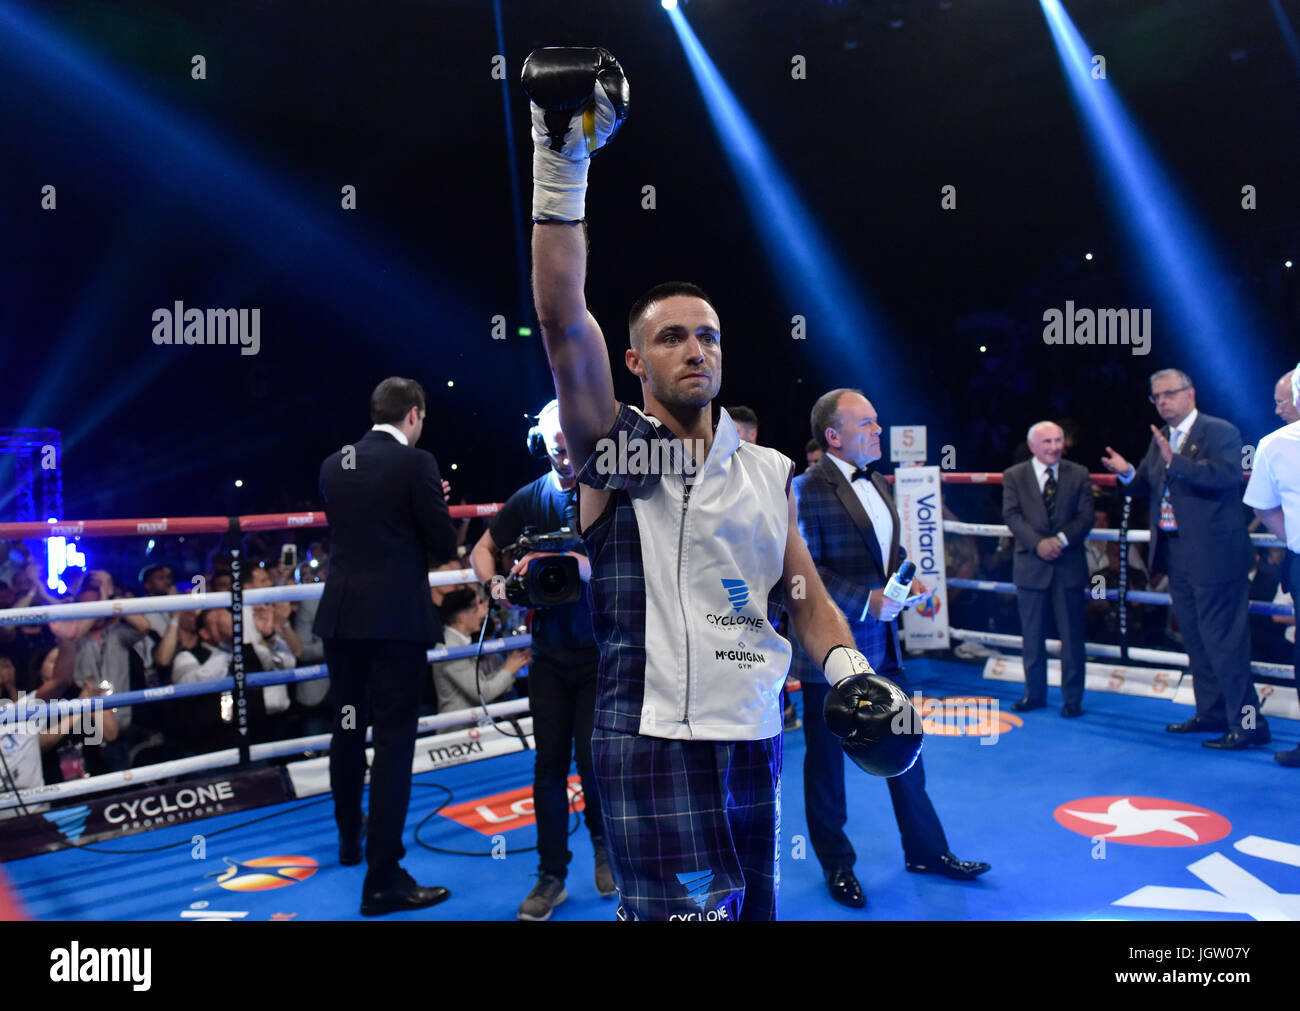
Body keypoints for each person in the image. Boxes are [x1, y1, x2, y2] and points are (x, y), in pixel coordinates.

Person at [522, 46, 920, 921]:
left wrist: (849, 668)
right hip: (648, 736)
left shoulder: (767, 469)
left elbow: (804, 591)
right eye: (670, 338)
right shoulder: (616, 452)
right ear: (634, 361)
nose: (694, 349)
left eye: (706, 335)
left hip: (753, 732)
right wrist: (564, 159)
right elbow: (560, 320)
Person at [790, 388, 989, 910]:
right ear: (833, 435)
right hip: (829, 650)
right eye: (868, 424)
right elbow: (804, 572)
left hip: (886, 648)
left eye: (878, 421)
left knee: (906, 754)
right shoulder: (805, 488)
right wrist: (865, 601)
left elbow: (889, 551)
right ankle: (837, 866)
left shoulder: (876, 479)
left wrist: (910, 580)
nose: (879, 431)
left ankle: (927, 851)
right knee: (827, 767)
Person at [314, 377, 458, 915]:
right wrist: (432, 508)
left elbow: (360, 533)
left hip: (343, 622)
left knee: (348, 729)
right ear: (414, 415)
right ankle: (383, 880)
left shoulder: (335, 463)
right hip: (394, 623)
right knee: (394, 746)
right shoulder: (416, 465)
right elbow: (443, 546)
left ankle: (351, 840)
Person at [469, 399, 614, 921]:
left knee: (596, 762)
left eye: (570, 449)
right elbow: (482, 549)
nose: (564, 460)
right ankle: (551, 875)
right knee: (548, 767)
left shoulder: (606, 492)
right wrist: (495, 585)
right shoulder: (528, 499)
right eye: (555, 451)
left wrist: (576, 563)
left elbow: (635, 558)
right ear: (542, 447)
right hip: (549, 655)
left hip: (601, 652)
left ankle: (606, 850)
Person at [1102, 368, 1269, 749]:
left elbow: (1225, 478)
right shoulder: (1161, 439)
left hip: (1217, 555)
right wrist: (1128, 472)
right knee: (1194, 638)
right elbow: (1147, 485)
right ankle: (1211, 713)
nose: (1162, 401)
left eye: (1169, 394)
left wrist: (1176, 462)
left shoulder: (1219, 431)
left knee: (1224, 640)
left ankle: (1249, 723)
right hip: (1177, 553)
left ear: (1190, 394)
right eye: (1156, 396)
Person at [1002, 421, 1095, 716]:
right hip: (1031, 563)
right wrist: (1038, 544)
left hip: (1068, 564)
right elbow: (1012, 515)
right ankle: (1034, 694)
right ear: (1032, 446)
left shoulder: (1078, 473)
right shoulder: (1014, 475)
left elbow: (1086, 517)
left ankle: (1072, 701)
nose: (1055, 447)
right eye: (1048, 442)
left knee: (1072, 638)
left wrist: (1060, 540)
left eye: (1058, 440)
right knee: (1032, 636)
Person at [1242, 364, 1300, 766]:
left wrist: (1292, 538)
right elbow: (1261, 505)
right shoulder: (1275, 443)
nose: (1279, 408)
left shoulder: (1274, 443)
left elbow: (1263, 507)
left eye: (1283, 400)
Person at [431, 588, 530, 711]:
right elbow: (482, 693)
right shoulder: (450, 647)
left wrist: (513, 664)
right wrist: (509, 669)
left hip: (474, 723)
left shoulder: (462, 641)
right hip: (460, 726)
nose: (484, 612)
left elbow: (482, 683)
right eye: (476, 608)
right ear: (462, 617)